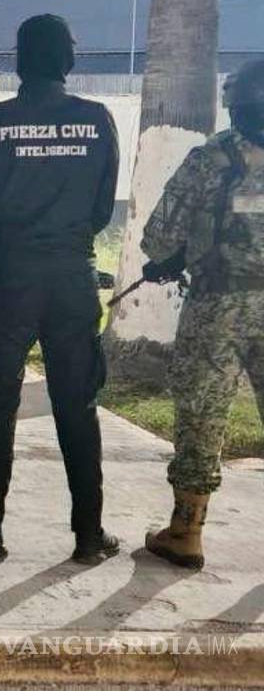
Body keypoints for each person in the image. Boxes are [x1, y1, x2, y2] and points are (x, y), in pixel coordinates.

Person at [0, 14, 120, 565]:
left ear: (20, 60)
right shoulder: (97, 120)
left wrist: (7, 255)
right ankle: (89, 535)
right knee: (78, 406)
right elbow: (101, 207)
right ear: (67, 59)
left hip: (9, 280)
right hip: (73, 279)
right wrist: (64, 246)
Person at [142, 59, 264, 571]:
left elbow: (159, 238)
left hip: (216, 308)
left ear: (235, 105)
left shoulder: (210, 159)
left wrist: (170, 258)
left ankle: (186, 531)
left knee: (201, 416)